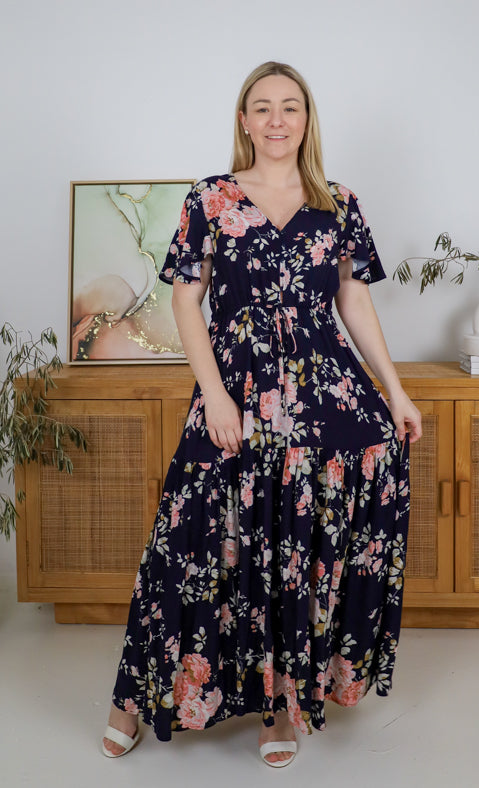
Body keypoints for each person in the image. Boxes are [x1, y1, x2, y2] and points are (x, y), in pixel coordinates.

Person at [101, 60, 422, 767]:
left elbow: (354, 301)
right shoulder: (211, 198)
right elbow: (187, 300)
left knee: (300, 544)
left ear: (307, 120)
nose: (277, 119)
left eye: (291, 107)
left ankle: (283, 705)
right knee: (187, 536)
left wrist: (393, 390)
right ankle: (135, 695)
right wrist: (215, 395)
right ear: (244, 119)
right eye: (263, 107)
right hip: (236, 383)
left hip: (323, 387)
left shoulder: (338, 200)